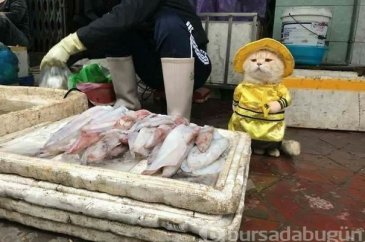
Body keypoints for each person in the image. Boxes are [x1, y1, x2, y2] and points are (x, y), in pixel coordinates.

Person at [41, 0, 212, 120]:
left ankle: (177, 121)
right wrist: (63, 57)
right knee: (114, 30)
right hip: (154, 71)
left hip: (194, 67)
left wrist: (70, 44)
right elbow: (106, 25)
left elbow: (129, 13)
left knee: (169, 23)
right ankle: (126, 106)